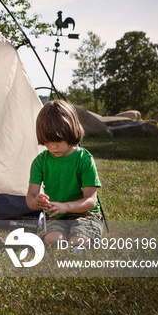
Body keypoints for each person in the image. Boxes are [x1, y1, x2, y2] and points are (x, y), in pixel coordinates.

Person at [25, 99, 103, 248]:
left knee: (77, 242)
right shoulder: (40, 162)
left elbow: (90, 201)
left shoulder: (84, 160)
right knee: (54, 241)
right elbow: (30, 196)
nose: (52, 146)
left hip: (85, 215)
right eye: (47, 142)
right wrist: (36, 202)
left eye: (58, 141)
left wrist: (65, 206)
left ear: (71, 131)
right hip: (56, 216)